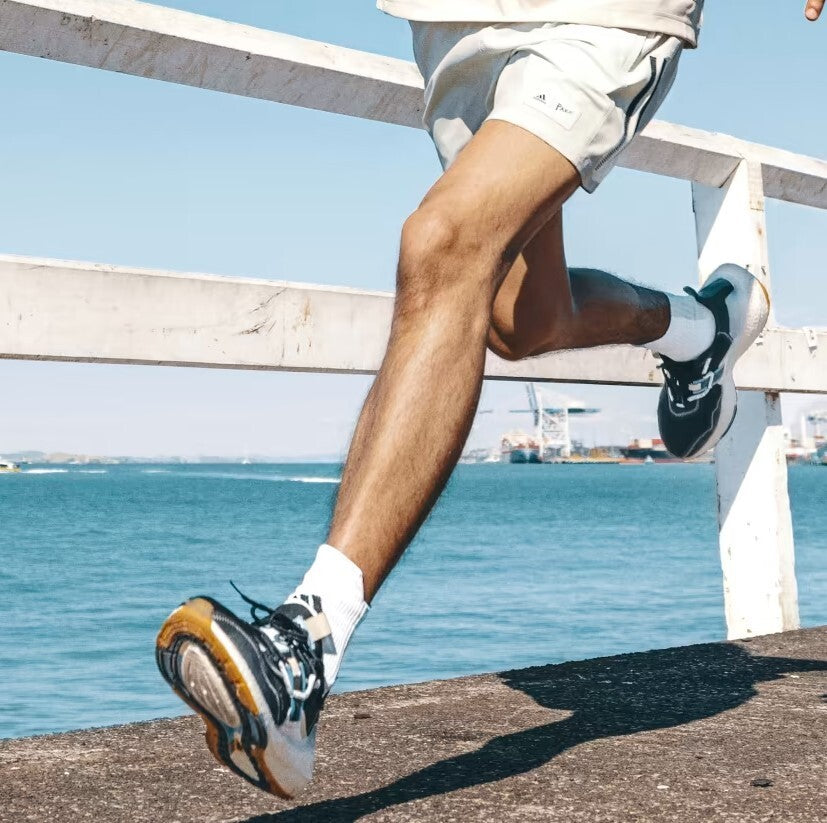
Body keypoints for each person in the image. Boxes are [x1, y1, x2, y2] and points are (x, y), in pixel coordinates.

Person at [155, 0, 824, 799]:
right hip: (454, 23)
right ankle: (697, 325)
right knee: (518, 317)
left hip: (601, 14)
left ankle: (305, 645)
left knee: (441, 243)